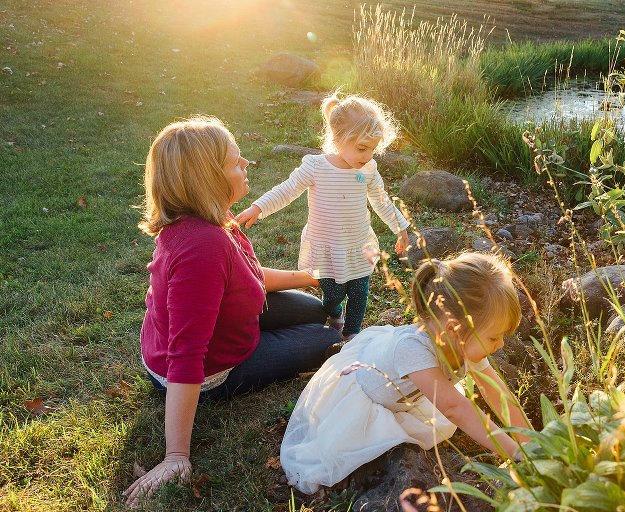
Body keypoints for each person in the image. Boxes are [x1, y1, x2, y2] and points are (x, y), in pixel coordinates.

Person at [123, 116, 341, 507]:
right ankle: (253, 351)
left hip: (226, 317)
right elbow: (187, 355)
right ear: (209, 179)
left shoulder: (215, 221)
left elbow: (247, 276)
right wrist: (177, 456)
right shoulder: (202, 248)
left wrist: (308, 275)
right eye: (236, 163)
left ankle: (268, 327)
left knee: (315, 308)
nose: (246, 167)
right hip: (206, 370)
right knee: (327, 337)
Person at [280, 252, 532, 495]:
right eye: (494, 337)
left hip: (404, 393)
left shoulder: (463, 340)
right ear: (454, 328)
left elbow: (499, 395)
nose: (500, 345)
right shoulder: (413, 351)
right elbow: (455, 408)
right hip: (365, 398)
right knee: (348, 450)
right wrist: (514, 452)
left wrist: (530, 441)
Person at [235, 92, 410, 341]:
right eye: (362, 148)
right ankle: (334, 315)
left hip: (358, 244)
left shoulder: (368, 170)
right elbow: (288, 188)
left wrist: (400, 228)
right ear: (338, 139)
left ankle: (351, 335)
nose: (368, 156)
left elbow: (381, 201)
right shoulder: (316, 166)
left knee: (360, 292)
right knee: (332, 294)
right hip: (327, 247)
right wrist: (259, 207)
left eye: (373, 149)